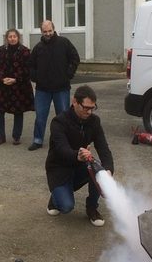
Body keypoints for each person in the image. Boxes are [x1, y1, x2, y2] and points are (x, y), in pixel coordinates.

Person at [45, 85, 113, 227]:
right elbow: (62, 149)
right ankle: (56, 198)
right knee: (66, 206)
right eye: (85, 107)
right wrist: (78, 155)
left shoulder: (94, 122)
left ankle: (92, 208)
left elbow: (103, 147)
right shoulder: (59, 122)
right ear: (74, 102)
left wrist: (108, 170)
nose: (89, 112)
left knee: (99, 171)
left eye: (92, 108)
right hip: (59, 169)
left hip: (80, 166)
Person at [28, 20, 80, 151]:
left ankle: (63, 141)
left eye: (49, 31)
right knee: (40, 116)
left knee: (63, 117)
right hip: (42, 89)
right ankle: (37, 140)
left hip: (61, 88)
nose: (48, 34)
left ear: (54, 29)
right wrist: (35, 77)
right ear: (41, 32)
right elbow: (30, 65)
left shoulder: (64, 43)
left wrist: (68, 74)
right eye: (45, 31)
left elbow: (75, 58)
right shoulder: (38, 48)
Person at [0, 28, 34, 146]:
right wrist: (2, 79)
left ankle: (16, 136)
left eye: (14, 36)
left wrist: (15, 79)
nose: (12, 39)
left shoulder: (25, 51)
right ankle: (1, 136)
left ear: (18, 37)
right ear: (6, 38)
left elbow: (27, 69)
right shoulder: (0, 51)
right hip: (3, 86)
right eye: (10, 37)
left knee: (18, 112)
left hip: (19, 87)